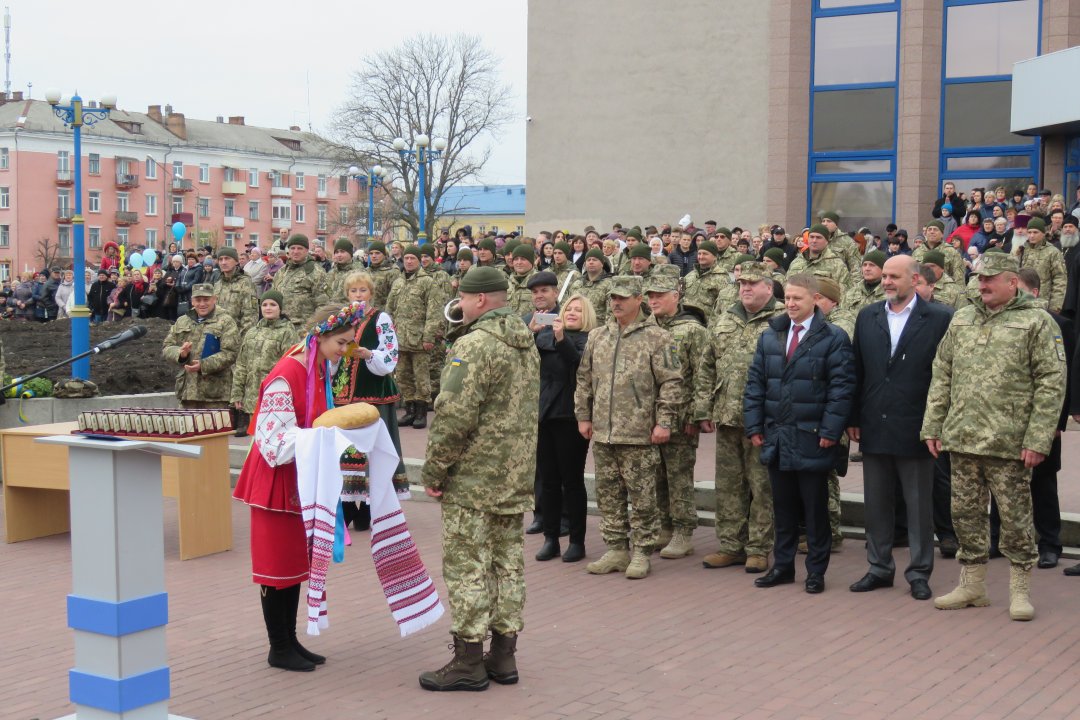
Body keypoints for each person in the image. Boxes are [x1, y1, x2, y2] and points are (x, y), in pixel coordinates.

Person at [921, 252, 1066, 621]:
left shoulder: (1037, 321)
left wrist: (1038, 438)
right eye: (979, 278)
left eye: (991, 278)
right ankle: (973, 585)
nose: (982, 284)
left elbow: (1051, 383)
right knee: (965, 514)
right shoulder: (963, 318)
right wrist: (933, 425)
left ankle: (1020, 589)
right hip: (963, 436)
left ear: (1013, 281)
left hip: (1010, 441)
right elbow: (943, 372)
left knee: (1016, 517)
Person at [418, 266, 539, 692]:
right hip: (514, 474)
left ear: (481, 299)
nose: (461, 305)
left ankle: (469, 660)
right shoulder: (526, 343)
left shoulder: (475, 345)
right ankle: (503, 656)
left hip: (473, 478)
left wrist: (434, 470)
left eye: (464, 298)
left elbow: (453, 414)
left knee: (467, 565)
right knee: (508, 565)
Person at [232, 302, 367, 673]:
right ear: (320, 336)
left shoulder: (317, 367)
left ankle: (290, 640)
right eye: (341, 343)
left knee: (294, 564)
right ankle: (279, 646)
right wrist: (324, 436)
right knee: (276, 567)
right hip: (276, 481)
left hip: (299, 476)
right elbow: (274, 441)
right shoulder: (287, 372)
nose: (345, 351)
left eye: (349, 344)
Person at [846, 255, 954, 601]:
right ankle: (878, 568)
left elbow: (947, 376)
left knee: (919, 505)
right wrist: (854, 417)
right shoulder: (868, 316)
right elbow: (857, 371)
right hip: (875, 424)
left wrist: (937, 424)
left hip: (918, 426)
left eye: (894, 276)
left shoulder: (940, 318)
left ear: (914, 278)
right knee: (876, 503)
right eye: (885, 276)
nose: (887, 281)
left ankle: (919, 573)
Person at [744, 273, 855, 594]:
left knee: (814, 509)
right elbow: (756, 385)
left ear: (815, 300)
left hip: (814, 435)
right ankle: (782, 566)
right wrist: (754, 426)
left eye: (798, 299)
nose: (790, 304)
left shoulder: (832, 337)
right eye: (787, 298)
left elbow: (841, 388)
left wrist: (831, 430)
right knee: (783, 507)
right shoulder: (771, 336)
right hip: (777, 436)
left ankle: (816, 571)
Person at [575, 275, 682, 580]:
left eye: (622, 298)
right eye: (612, 298)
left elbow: (671, 383)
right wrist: (583, 416)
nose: (616, 303)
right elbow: (584, 379)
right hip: (604, 432)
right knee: (608, 493)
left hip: (639, 432)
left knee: (643, 495)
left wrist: (664, 422)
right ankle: (617, 549)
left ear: (639, 300)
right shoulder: (598, 336)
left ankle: (642, 552)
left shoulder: (657, 337)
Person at [699, 261, 784, 572]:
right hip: (727, 416)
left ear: (769, 286)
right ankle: (731, 545)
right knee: (728, 485)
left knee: (762, 486)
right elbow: (707, 366)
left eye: (752, 282)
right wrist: (703, 409)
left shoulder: (783, 320)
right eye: (741, 283)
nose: (745, 288)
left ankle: (759, 548)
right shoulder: (725, 320)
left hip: (765, 420)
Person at [332, 271, 410, 530]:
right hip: (344, 395)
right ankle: (348, 505)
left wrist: (369, 354)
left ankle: (370, 507)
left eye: (363, 291)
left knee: (374, 451)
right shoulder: (341, 318)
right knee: (347, 452)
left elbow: (390, 354)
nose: (358, 295)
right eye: (354, 291)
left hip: (373, 393)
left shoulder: (381, 318)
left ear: (371, 293)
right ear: (347, 294)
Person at [644, 265, 711, 559]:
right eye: (650, 295)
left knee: (679, 474)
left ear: (675, 296)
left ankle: (684, 530)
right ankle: (665, 526)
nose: (653, 300)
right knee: (657, 473)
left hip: (682, 416)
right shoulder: (647, 327)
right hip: (651, 414)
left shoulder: (692, 330)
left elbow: (703, 374)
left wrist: (698, 414)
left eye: (659, 295)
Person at [533, 293, 596, 564]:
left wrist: (561, 339)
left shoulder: (590, 339)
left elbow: (577, 364)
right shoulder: (545, 336)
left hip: (571, 416)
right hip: (545, 412)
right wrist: (529, 332)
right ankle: (550, 538)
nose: (571, 313)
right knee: (548, 480)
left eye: (578, 310)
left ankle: (576, 541)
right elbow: (526, 361)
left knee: (571, 481)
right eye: (568, 308)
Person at [230, 290, 299, 438]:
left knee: (272, 439)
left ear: (280, 308)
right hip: (252, 398)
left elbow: (291, 365)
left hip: (274, 396)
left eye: (273, 305)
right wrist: (237, 393)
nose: (268, 308)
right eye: (265, 304)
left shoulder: (287, 332)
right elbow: (241, 364)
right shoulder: (252, 332)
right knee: (256, 441)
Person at [161, 283, 241, 409]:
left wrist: (203, 365)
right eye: (198, 300)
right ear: (192, 301)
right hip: (187, 393)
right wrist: (181, 354)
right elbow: (167, 346)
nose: (202, 304)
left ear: (214, 299)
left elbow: (231, 353)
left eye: (206, 299)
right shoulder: (182, 321)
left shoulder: (226, 321)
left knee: (215, 428)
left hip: (215, 395)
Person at [386, 245, 440, 429]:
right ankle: (409, 410)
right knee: (403, 376)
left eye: (413, 259)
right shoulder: (398, 282)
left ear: (419, 261)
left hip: (419, 339)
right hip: (400, 338)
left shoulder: (427, 282)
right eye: (407, 258)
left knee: (421, 377)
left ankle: (421, 412)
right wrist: (388, 334)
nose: (409, 261)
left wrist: (429, 337)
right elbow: (389, 309)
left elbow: (434, 313)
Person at [273, 234, 330, 333]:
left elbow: (323, 306)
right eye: (292, 248)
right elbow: (273, 297)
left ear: (307, 250)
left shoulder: (316, 272)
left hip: (302, 330)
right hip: (280, 329)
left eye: (300, 248)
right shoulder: (281, 271)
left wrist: (312, 331)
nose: (295, 251)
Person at [1016, 217, 1066, 314]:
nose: (1031, 235)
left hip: (1043, 303)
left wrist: (1055, 307)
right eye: (1029, 232)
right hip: (1022, 301)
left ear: (1043, 233)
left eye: (1035, 232)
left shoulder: (1052, 252)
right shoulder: (1022, 250)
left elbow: (1060, 280)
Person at [787, 224, 852, 290]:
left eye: (818, 237)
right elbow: (787, 286)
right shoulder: (797, 262)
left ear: (827, 241)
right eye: (811, 237)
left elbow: (844, 293)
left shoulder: (837, 264)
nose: (814, 241)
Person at [213, 247, 260, 333]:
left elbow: (250, 315)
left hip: (236, 337)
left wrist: (242, 339)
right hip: (218, 335)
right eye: (220, 259)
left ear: (236, 261)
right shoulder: (218, 284)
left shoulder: (245, 283)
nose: (223, 262)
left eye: (227, 258)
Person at [366, 241, 402, 311]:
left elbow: (396, 297)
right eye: (371, 253)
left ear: (384, 255)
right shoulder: (366, 271)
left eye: (377, 253)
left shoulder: (392, 271)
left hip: (383, 314)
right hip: (366, 313)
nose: (373, 256)